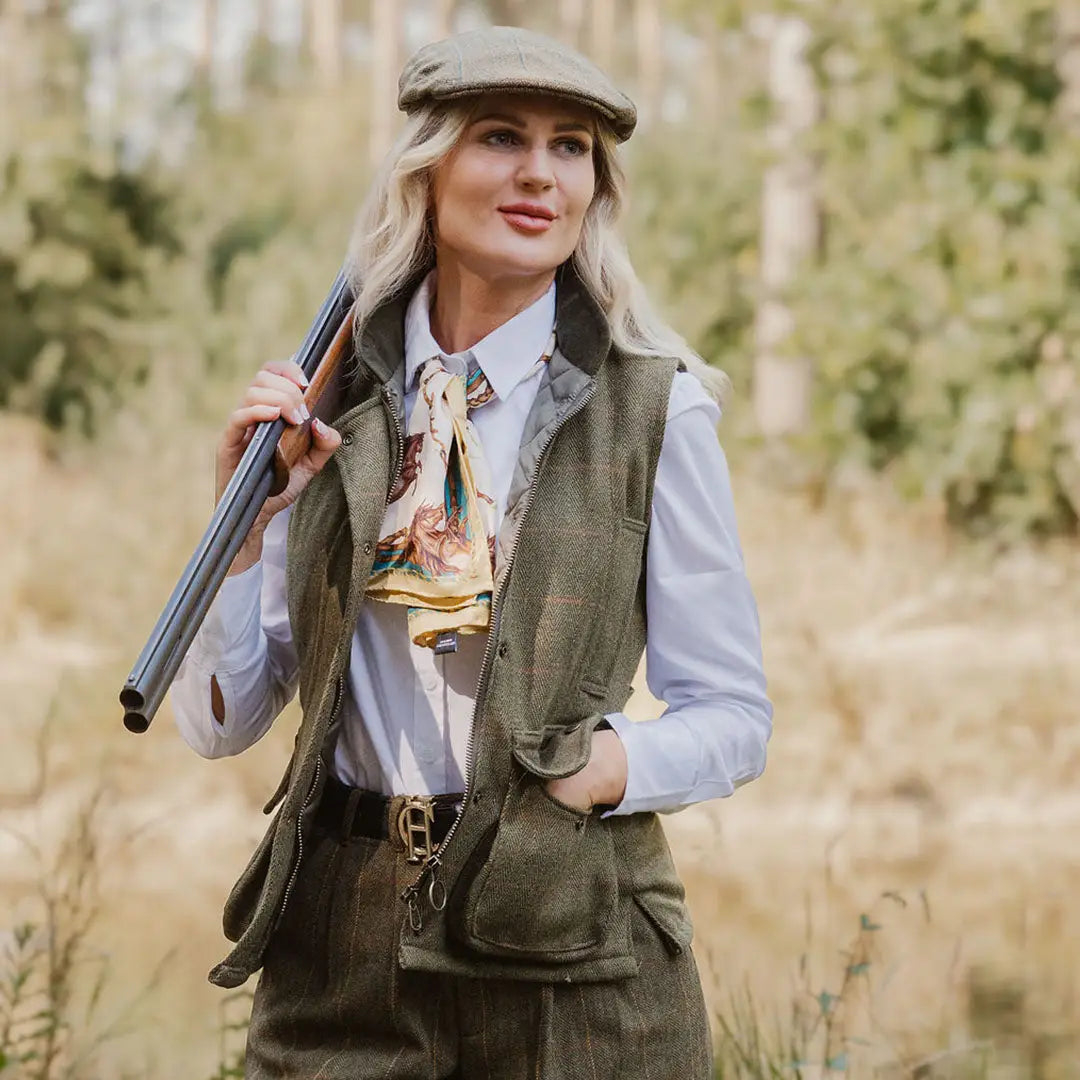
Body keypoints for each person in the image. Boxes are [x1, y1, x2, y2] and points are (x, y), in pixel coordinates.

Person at [171, 24, 773, 1080]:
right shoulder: (334, 401)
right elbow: (223, 726)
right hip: (338, 951)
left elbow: (733, 716)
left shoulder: (657, 406)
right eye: (501, 137)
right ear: (427, 170)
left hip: (573, 951)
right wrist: (243, 529)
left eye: (571, 147)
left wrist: (598, 771)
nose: (541, 172)